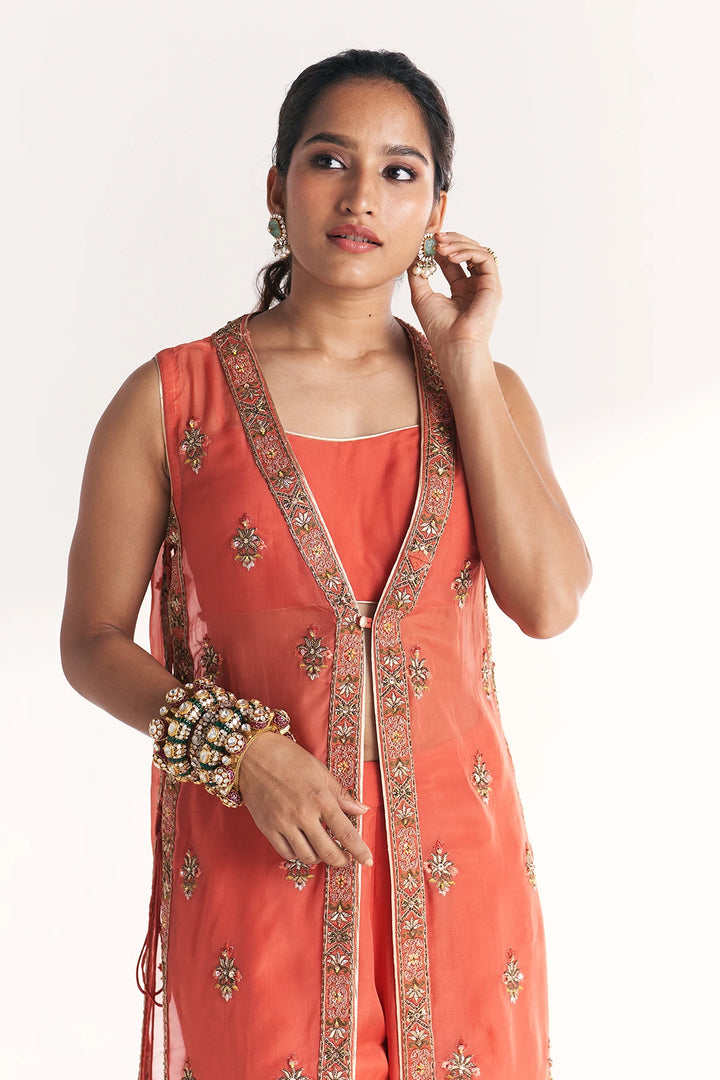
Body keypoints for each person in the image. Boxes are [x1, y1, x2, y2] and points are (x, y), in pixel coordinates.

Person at [61, 48, 591, 1080]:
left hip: (461, 886)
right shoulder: (172, 402)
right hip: (260, 875)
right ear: (277, 186)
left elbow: (551, 599)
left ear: (438, 209)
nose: (361, 196)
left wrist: (468, 363)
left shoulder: (483, 392)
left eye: (400, 172)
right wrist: (240, 751)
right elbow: (89, 642)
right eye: (328, 160)